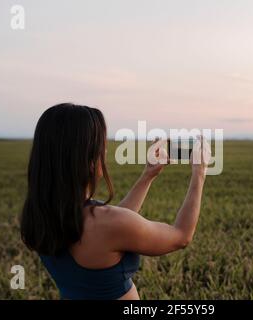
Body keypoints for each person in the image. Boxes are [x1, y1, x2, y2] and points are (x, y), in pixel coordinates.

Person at [20, 103, 210, 300]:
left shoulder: (40, 216)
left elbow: (112, 228)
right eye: (103, 148)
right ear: (88, 160)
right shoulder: (106, 223)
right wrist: (199, 173)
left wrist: (148, 176)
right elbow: (181, 236)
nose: (106, 154)